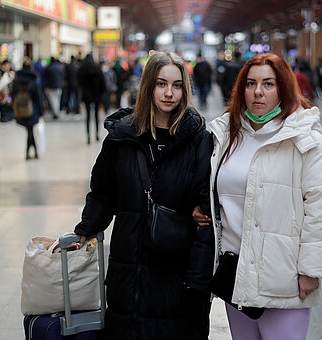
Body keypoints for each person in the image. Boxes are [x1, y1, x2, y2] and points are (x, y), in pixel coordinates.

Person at [194, 53, 322, 340]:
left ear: (284, 89)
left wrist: (311, 270)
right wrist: (201, 209)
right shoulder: (225, 135)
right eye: (250, 83)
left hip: (283, 277)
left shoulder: (309, 143)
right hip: (234, 274)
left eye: (268, 84)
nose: (258, 92)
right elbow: (215, 190)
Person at [73, 51, 214, 339]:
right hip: (130, 263)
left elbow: (206, 205)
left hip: (175, 269)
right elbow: (103, 192)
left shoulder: (198, 138)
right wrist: (85, 230)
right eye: (161, 84)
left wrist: (199, 279)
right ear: (148, 85)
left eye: (177, 86)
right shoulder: (122, 137)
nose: (169, 93)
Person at [12, 57, 44, 159]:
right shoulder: (34, 79)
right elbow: (38, 96)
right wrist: (41, 111)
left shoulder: (17, 80)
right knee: (30, 130)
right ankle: (32, 152)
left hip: (20, 108)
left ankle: (31, 152)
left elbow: (13, 94)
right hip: (32, 108)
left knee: (29, 130)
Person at [77, 54, 106, 144]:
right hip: (96, 94)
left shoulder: (82, 69)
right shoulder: (97, 68)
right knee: (97, 115)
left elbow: (78, 82)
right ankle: (97, 134)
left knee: (88, 116)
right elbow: (102, 82)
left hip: (86, 95)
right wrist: (102, 93)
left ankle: (88, 136)